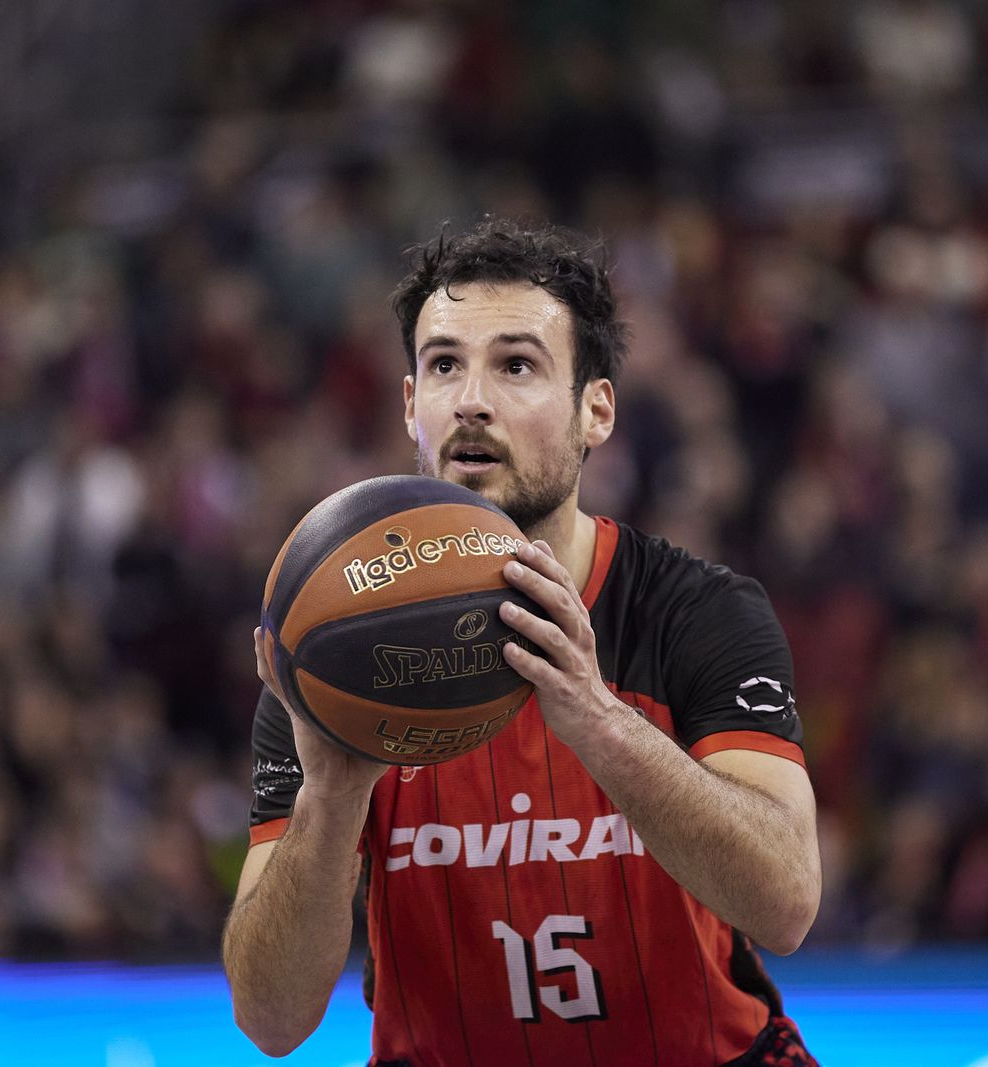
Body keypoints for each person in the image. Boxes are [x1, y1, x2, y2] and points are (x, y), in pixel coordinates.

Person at [223, 219, 823, 1066]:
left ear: (595, 410)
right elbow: (270, 1020)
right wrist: (331, 794)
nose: (471, 399)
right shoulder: (331, 655)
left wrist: (600, 723)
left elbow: (788, 904)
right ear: (410, 406)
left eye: (516, 365)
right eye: (444, 364)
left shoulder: (697, 612)